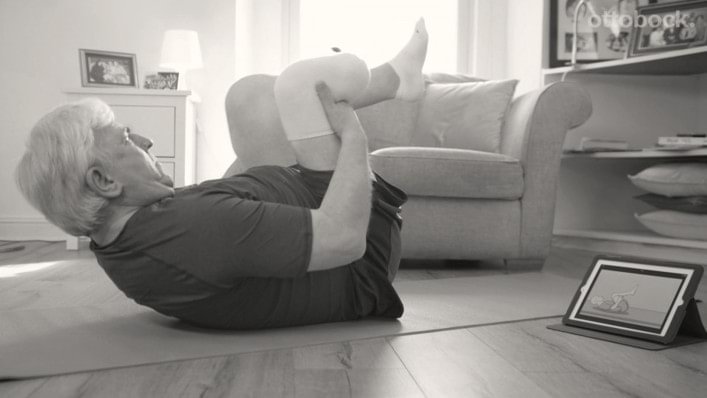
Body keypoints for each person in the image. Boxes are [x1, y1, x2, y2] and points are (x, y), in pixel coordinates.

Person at [15, 20, 428, 330]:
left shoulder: (123, 235)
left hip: (306, 206)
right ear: (104, 181)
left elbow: (224, 219)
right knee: (298, 86)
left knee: (248, 98)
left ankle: (395, 79)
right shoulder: (194, 232)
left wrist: (246, 166)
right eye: (126, 139)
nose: (146, 140)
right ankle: (394, 77)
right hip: (361, 256)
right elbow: (345, 240)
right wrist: (352, 136)